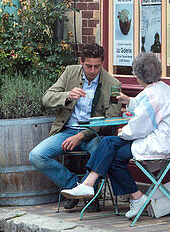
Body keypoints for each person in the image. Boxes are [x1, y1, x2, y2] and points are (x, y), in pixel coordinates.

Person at [61, 52, 170, 220]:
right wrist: (129, 101)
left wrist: (123, 132)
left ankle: (90, 184)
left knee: (109, 148)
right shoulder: (162, 88)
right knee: (110, 152)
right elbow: (146, 107)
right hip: (164, 139)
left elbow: (139, 127)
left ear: (138, 75)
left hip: (160, 143)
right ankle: (134, 196)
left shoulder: (152, 95)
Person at [29, 43, 122, 209]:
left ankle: (89, 194)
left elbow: (112, 118)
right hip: (68, 130)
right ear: (81, 62)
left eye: (97, 66)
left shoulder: (113, 83)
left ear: (102, 64)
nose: (93, 71)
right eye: (88, 66)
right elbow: (47, 98)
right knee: (36, 156)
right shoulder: (70, 72)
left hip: (94, 133)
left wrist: (82, 136)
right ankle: (74, 187)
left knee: (102, 154)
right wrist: (67, 96)